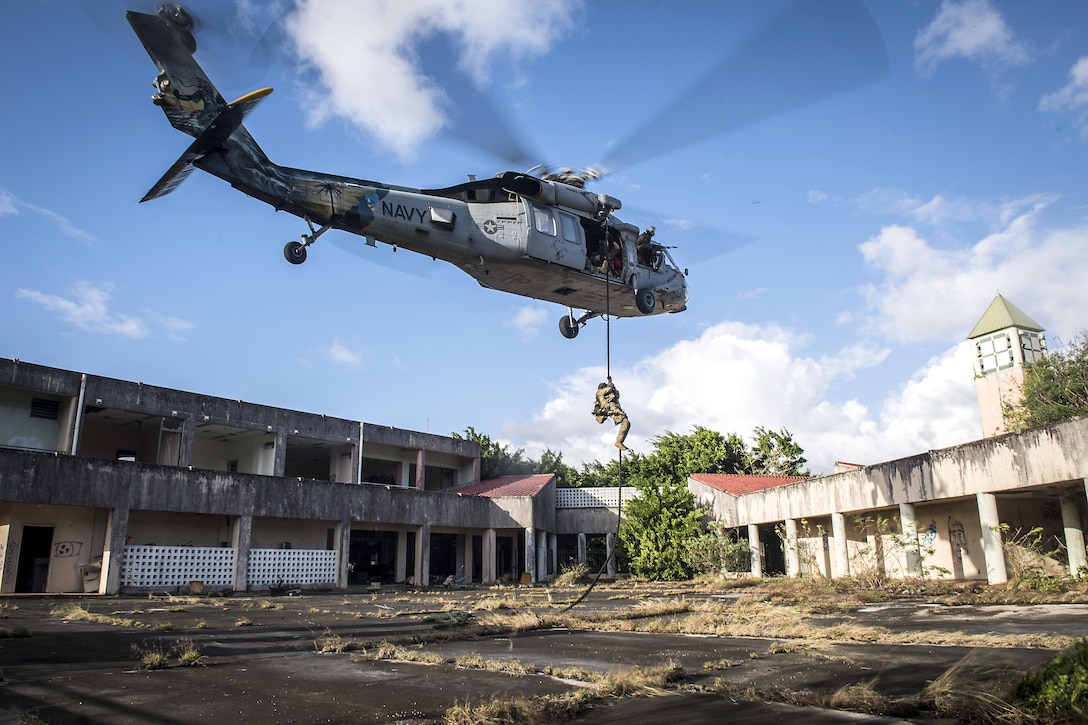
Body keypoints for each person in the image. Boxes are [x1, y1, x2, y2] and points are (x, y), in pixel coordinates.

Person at [592, 377, 630, 450]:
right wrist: (610, 383)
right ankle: (619, 442)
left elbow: (617, 395)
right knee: (625, 422)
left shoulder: (608, 394)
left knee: (626, 423)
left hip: (614, 409)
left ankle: (619, 441)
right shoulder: (600, 392)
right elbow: (609, 388)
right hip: (611, 410)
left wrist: (613, 387)